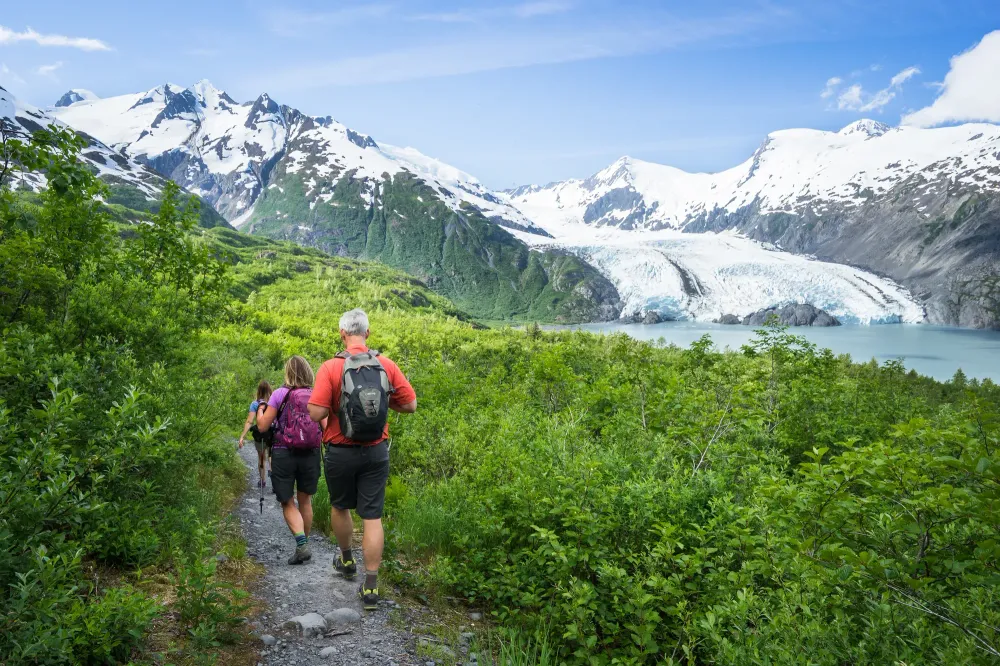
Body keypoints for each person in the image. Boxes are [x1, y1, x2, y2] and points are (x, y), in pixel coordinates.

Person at [308, 308, 416, 610]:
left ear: (342, 334)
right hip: (376, 450)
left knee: (340, 506)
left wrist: (334, 408)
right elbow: (411, 405)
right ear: (367, 333)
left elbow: (316, 412)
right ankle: (370, 587)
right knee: (372, 516)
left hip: (340, 452)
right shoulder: (386, 364)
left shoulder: (330, 367)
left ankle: (346, 559)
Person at [257, 356, 324, 565]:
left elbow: (262, 427)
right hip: (311, 453)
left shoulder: (279, 394)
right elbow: (326, 426)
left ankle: (301, 544)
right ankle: (303, 545)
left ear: (287, 372)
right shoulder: (317, 395)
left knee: (287, 501)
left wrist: (261, 410)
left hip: (283, 452)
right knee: (305, 499)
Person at [238, 380, 274, 488]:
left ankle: (262, 481)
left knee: (261, 457)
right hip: (272, 433)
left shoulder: (255, 404)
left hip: (260, 434)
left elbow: (249, 421)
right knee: (272, 456)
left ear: (258, 390)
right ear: (269, 390)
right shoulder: (274, 401)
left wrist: (242, 436)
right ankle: (274, 483)